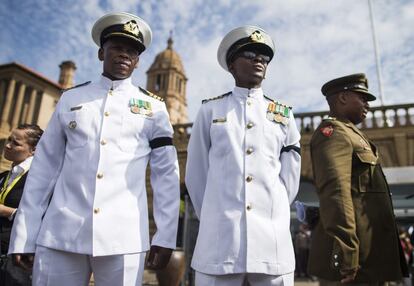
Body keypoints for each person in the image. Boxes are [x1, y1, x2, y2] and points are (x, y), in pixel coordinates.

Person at [8, 12, 180, 286]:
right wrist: (24, 235)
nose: (124, 55)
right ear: (101, 53)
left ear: (137, 62)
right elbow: (43, 170)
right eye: (117, 47)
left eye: (132, 51)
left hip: (123, 237)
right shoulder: (70, 99)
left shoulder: (155, 108)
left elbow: (166, 176)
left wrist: (166, 235)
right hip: (61, 233)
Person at [185, 25, 301, 286]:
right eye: (250, 54)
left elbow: (289, 182)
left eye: (264, 57)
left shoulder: (283, 116)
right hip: (220, 241)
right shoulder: (210, 111)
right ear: (232, 65)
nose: (258, 61)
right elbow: (196, 175)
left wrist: (272, 208)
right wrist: (217, 216)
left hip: (271, 243)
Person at [307, 73, 409, 285]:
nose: (367, 105)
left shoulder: (353, 134)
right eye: (362, 98)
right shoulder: (334, 133)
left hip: (371, 258)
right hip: (355, 263)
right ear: (343, 98)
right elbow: (336, 193)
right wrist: (347, 252)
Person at [0, 124, 43, 285]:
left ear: (33, 150)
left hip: (19, 259)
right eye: (9, 139)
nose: (8, 145)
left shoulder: (38, 179)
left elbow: (44, 217)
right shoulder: (5, 175)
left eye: (16, 143)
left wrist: (7, 211)